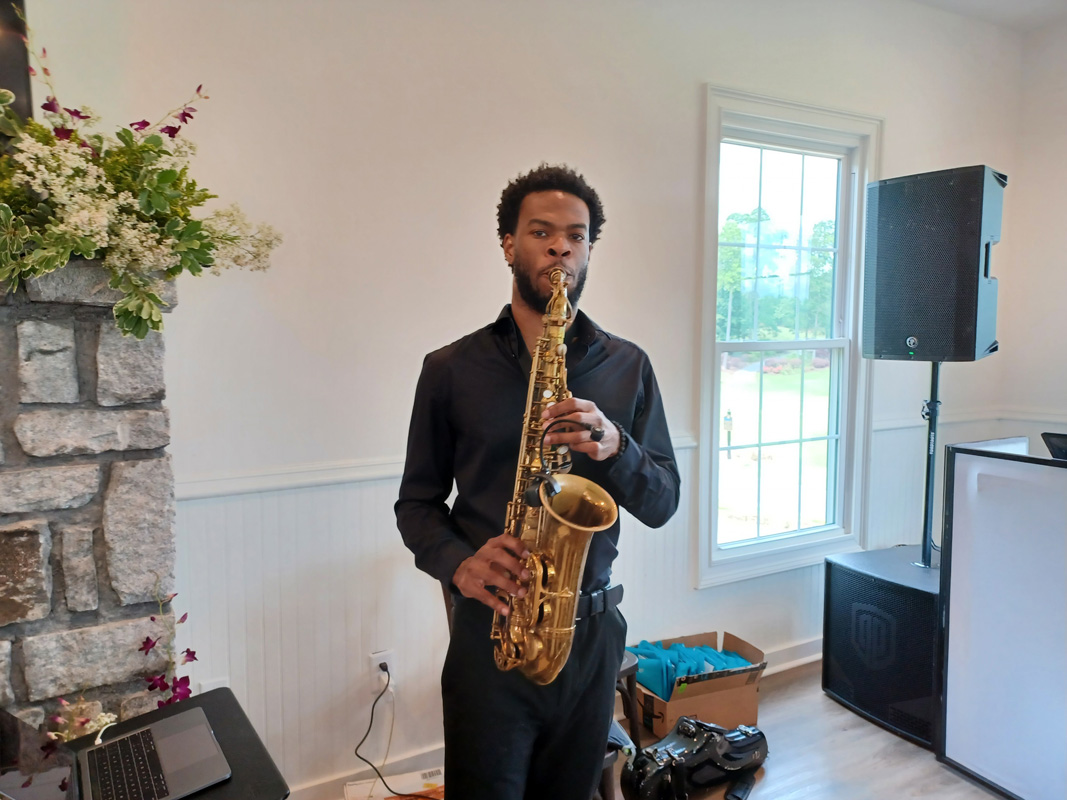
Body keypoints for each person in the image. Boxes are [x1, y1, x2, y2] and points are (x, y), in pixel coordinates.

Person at [395, 163, 680, 800]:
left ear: (589, 250)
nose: (561, 248)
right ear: (508, 244)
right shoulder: (449, 368)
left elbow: (664, 501)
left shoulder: (628, 365)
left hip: (592, 636)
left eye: (577, 236)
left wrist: (616, 444)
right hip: (492, 633)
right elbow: (415, 504)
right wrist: (460, 565)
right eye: (542, 232)